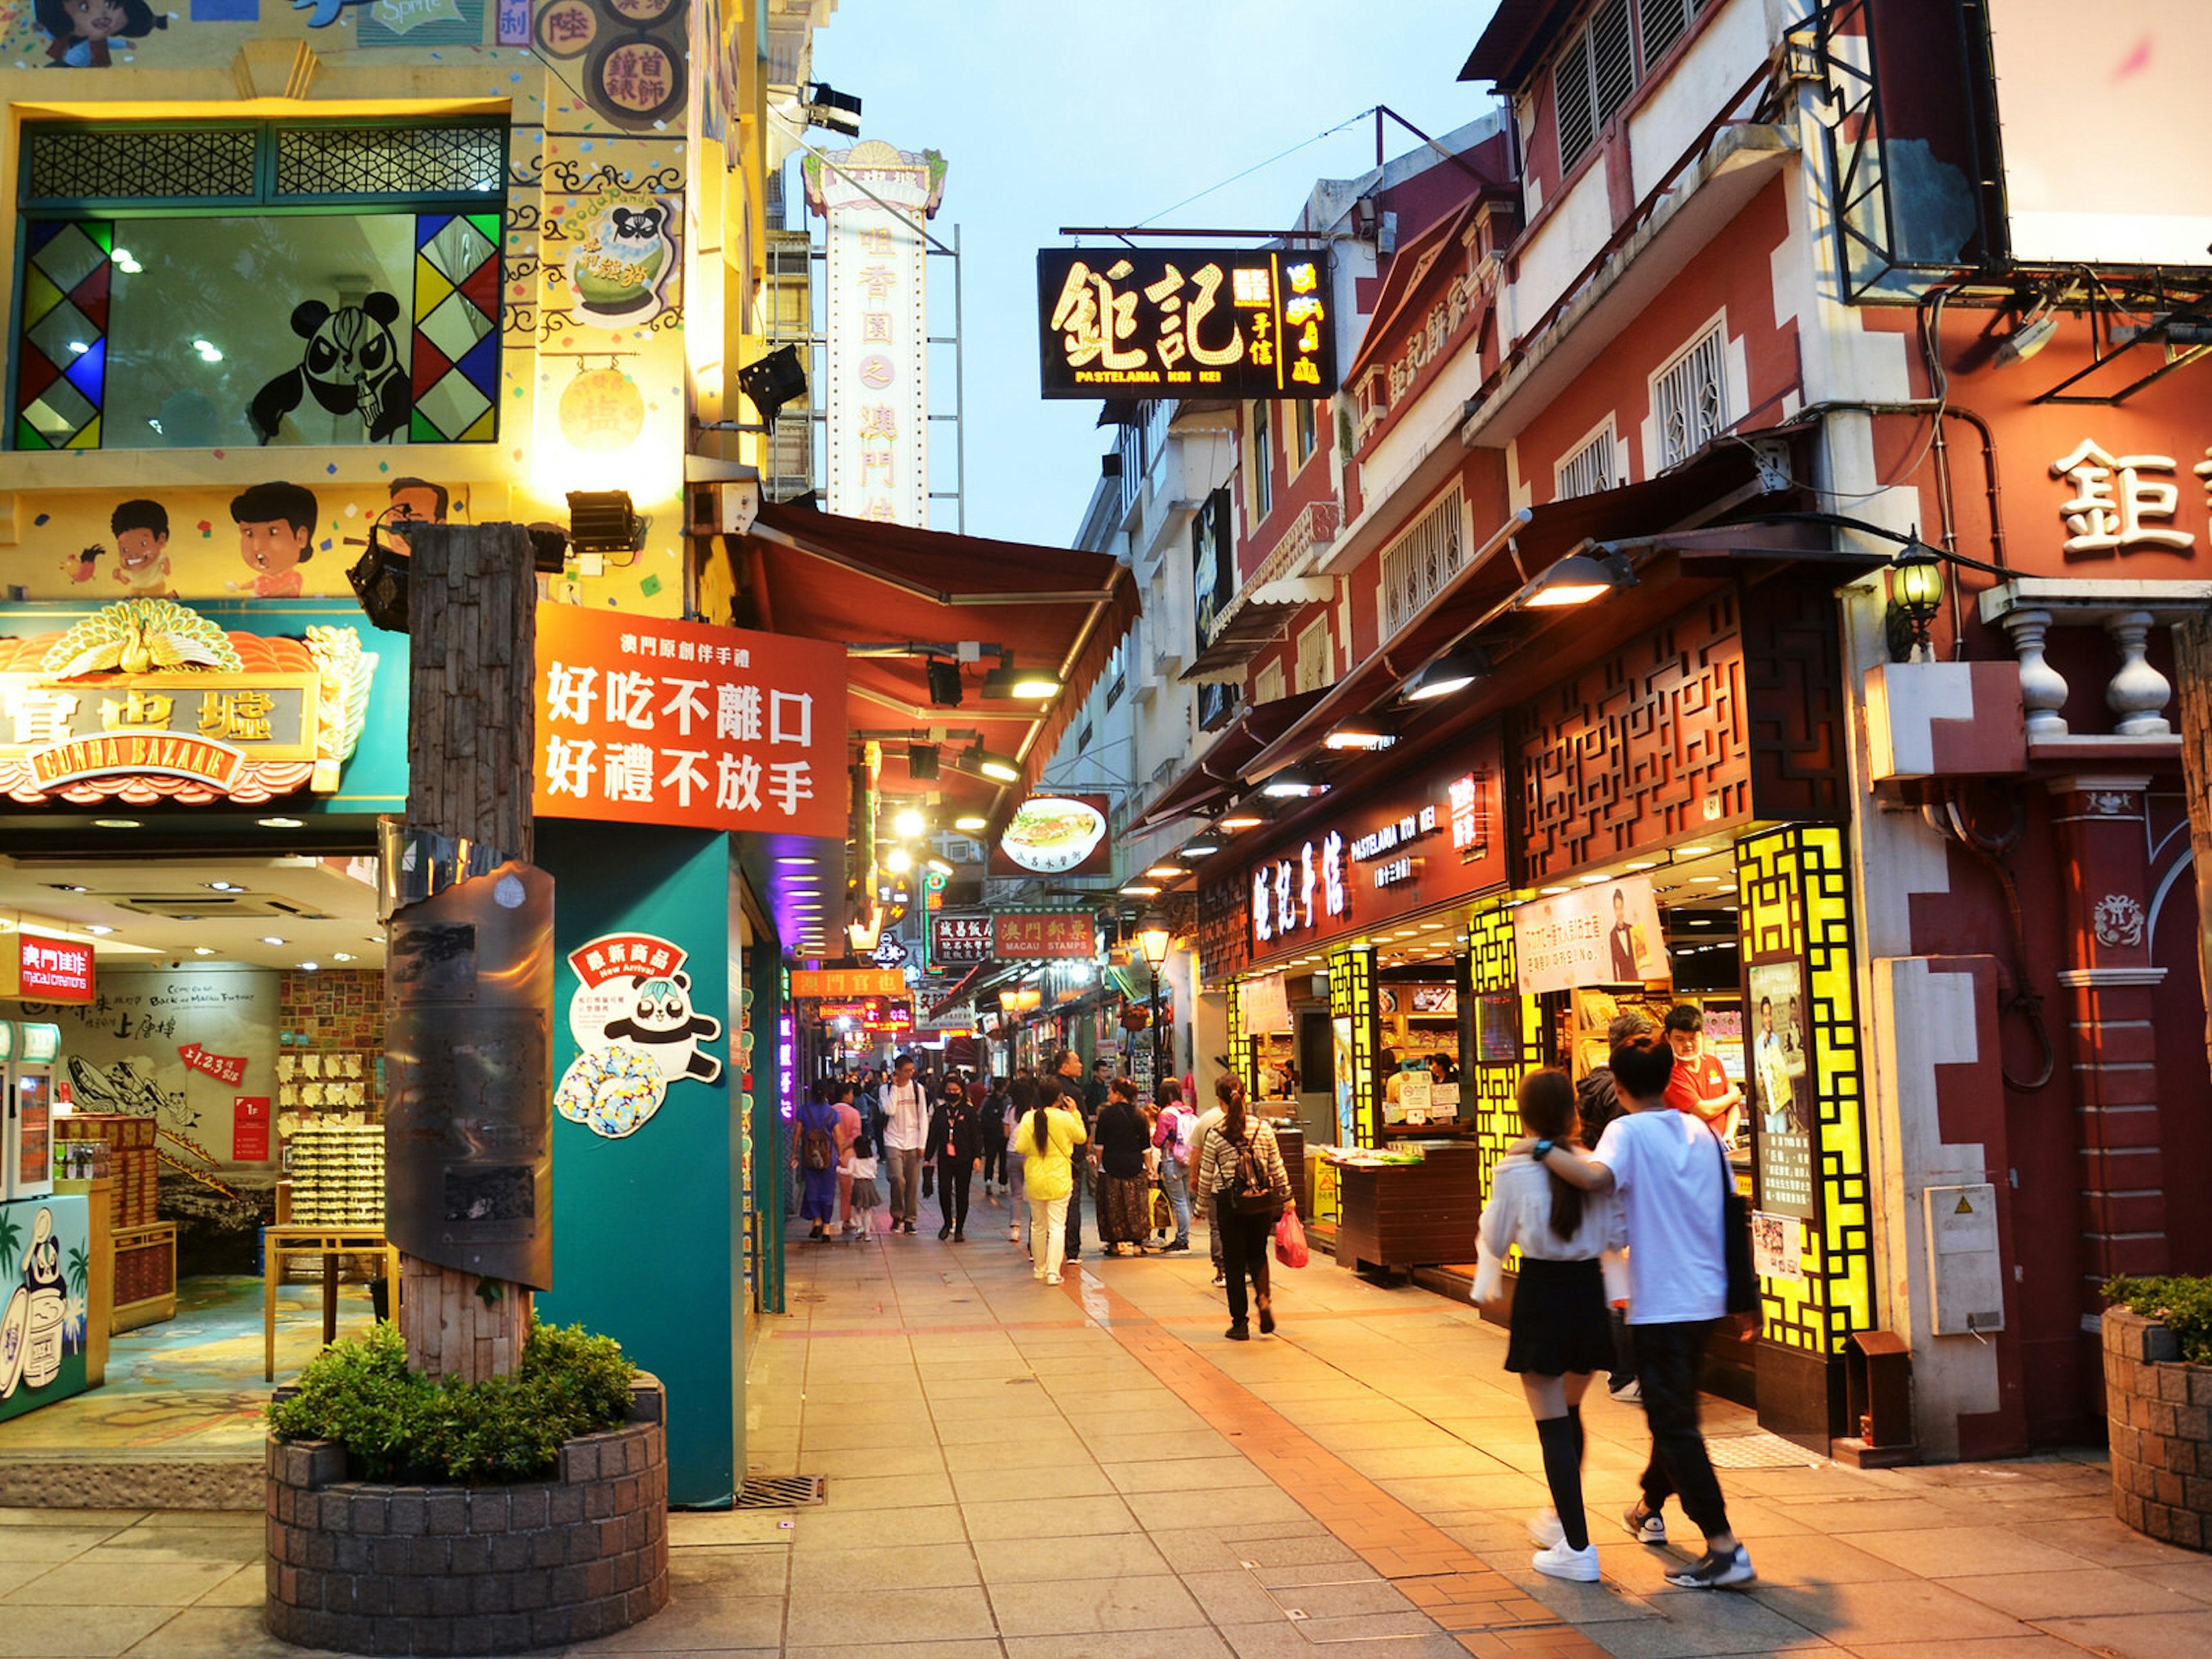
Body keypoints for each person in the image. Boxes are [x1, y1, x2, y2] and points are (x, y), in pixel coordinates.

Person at [1530, 1033, 1758, 1590]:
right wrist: (1746, 1297)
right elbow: (1733, 1213)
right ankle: (1650, 1505)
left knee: (1674, 1422)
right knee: (1671, 1411)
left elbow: (1595, 1179)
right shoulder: (1700, 1129)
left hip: (1662, 1301)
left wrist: (1542, 1148)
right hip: (1707, 1295)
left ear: (1621, 1085)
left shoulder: (1625, 1131)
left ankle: (1725, 1547)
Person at [1474, 1070, 1623, 1584]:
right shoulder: (1591, 1167)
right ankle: (1562, 1521)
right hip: (1588, 1294)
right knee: (1573, 1411)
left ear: (1524, 1116)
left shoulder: (1514, 1170)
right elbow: (1618, 1232)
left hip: (1541, 1294)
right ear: (1573, 1114)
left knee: (1551, 1425)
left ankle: (1578, 1547)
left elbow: (1495, 1238)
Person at [1577, 1010, 1654, 1403]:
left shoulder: (1594, 1084)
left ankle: (1621, 1371)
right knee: (1622, 1293)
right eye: (1644, 1041)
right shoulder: (1620, 1099)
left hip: (1607, 1205)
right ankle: (1624, 1375)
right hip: (1619, 1202)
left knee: (1617, 1290)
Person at [1198, 1076, 1293, 1339]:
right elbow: (1276, 1166)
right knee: (1258, 1254)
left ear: (1220, 1102)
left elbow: (1206, 1174)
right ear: (1246, 1097)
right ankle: (1263, 1299)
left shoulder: (1216, 1133)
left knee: (1235, 1263)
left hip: (1231, 1204)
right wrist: (1287, 1197)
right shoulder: (1263, 1129)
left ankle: (1239, 1323)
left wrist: (1200, 1208)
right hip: (1261, 1203)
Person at [1012, 1076, 1087, 1285]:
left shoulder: (1029, 1118)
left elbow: (1020, 1147)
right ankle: (1054, 1272)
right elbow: (1081, 1137)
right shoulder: (1065, 1118)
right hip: (1059, 1176)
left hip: (1035, 1175)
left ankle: (1039, 1268)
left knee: (1038, 1225)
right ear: (1059, 1097)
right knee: (1057, 1226)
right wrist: (1076, 1114)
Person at [1662, 1005, 1743, 1144]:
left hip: (1724, 1144)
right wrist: (1732, 1096)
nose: (1688, 1044)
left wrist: (1729, 1134)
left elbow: (1734, 1106)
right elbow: (1704, 1111)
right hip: (1692, 1150)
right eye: (1680, 1039)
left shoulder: (1714, 1062)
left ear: (1703, 1035)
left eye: (1693, 1038)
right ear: (1669, 1039)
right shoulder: (1670, 1072)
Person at [1093, 1076, 1153, 1256]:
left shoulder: (1106, 1115)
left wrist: (1099, 1164)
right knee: (1136, 1205)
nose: (1109, 1096)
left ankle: (1114, 1243)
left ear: (1118, 1094)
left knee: (1112, 1205)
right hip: (1135, 1166)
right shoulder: (1141, 1115)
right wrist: (1149, 1169)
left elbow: (1099, 1147)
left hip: (1111, 1166)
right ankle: (1138, 1242)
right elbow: (1146, 1147)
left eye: (1111, 1092)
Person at [878, 1052, 930, 1236]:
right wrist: (895, 1088)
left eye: (912, 1070)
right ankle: (897, 1215)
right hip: (893, 1140)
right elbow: (890, 1110)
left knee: (912, 1182)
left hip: (913, 1140)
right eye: (906, 1071)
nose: (910, 1074)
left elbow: (923, 1117)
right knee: (897, 1179)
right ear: (897, 1071)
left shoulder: (918, 1090)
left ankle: (909, 1219)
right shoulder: (885, 1090)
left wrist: (922, 1143)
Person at [925, 1078, 980, 1242]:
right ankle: (947, 1222)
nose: (952, 1093)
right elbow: (933, 1135)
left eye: (955, 1090)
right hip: (945, 1158)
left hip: (965, 1158)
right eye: (949, 1090)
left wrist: (977, 1156)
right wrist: (927, 1158)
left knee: (962, 1193)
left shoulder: (969, 1112)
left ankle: (960, 1229)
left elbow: (976, 1136)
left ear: (962, 1091)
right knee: (944, 1190)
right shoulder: (941, 1111)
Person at [1187, 1081, 1230, 1286]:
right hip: (1249, 1188)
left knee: (1218, 1227)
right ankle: (1248, 1268)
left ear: (1218, 1098)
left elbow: (1198, 1155)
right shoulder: (1254, 1123)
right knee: (1243, 1226)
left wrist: (1195, 1180)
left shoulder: (1208, 1121)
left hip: (1217, 1185)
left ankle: (1222, 1270)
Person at [1054, 1049, 1095, 1262]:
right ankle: (1072, 1250)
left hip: (1047, 1154)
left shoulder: (1047, 1088)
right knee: (1072, 1201)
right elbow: (1083, 1125)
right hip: (1071, 1154)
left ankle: (1040, 1249)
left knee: (1045, 1202)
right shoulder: (1074, 1092)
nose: (1081, 1065)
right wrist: (1085, 1143)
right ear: (1065, 1067)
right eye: (1076, 1062)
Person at [794, 1083, 842, 1241]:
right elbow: (838, 1136)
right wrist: (841, 1156)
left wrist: (794, 1154)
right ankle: (827, 1228)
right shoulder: (832, 1113)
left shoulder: (803, 1111)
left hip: (810, 1157)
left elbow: (797, 1134)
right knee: (828, 1191)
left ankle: (817, 1220)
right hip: (829, 1157)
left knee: (812, 1189)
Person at [1152, 1078, 1195, 1252]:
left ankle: (1182, 1240)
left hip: (1172, 1160)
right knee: (1185, 1200)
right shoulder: (1187, 1112)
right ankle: (1184, 1237)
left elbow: (1158, 1141)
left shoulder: (1167, 1114)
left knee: (1179, 1202)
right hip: (1187, 1159)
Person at [831, 1080, 865, 1237]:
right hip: (849, 1155)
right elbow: (856, 1136)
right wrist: (843, 1147)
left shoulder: (830, 1111)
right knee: (848, 1191)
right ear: (845, 1095)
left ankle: (826, 1219)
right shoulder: (854, 1113)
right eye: (851, 1093)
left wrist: (836, 1147)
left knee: (829, 1189)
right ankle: (847, 1219)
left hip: (830, 1154)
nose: (852, 1096)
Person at [1002, 1077, 1033, 1245]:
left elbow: (1006, 1133)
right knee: (1034, 1194)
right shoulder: (1033, 1112)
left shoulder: (1009, 1110)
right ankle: (1034, 1227)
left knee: (1016, 1194)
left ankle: (1015, 1229)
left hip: (1012, 1153)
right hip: (1029, 1154)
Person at [978, 1074, 1010, 1202]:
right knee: (1003, 1160)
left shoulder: (988, 1100)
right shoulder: (1008, 1101)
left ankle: (988, 1182)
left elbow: (980, 1114)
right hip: (1003, 1135)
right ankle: (1003, 1185)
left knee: (990, 1158)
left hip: (990, 1135)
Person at [846, 1130, 884, 1236]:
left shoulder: (853, 1160)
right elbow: (875, 1173)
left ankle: (860, 1229)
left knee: (857, 1209)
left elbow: (849, 1172)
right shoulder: (872, 1161)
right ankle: (868, 1233)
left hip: (858, 1185)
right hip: (869, 1185)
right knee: (868, 1210)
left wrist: (839, 1169)